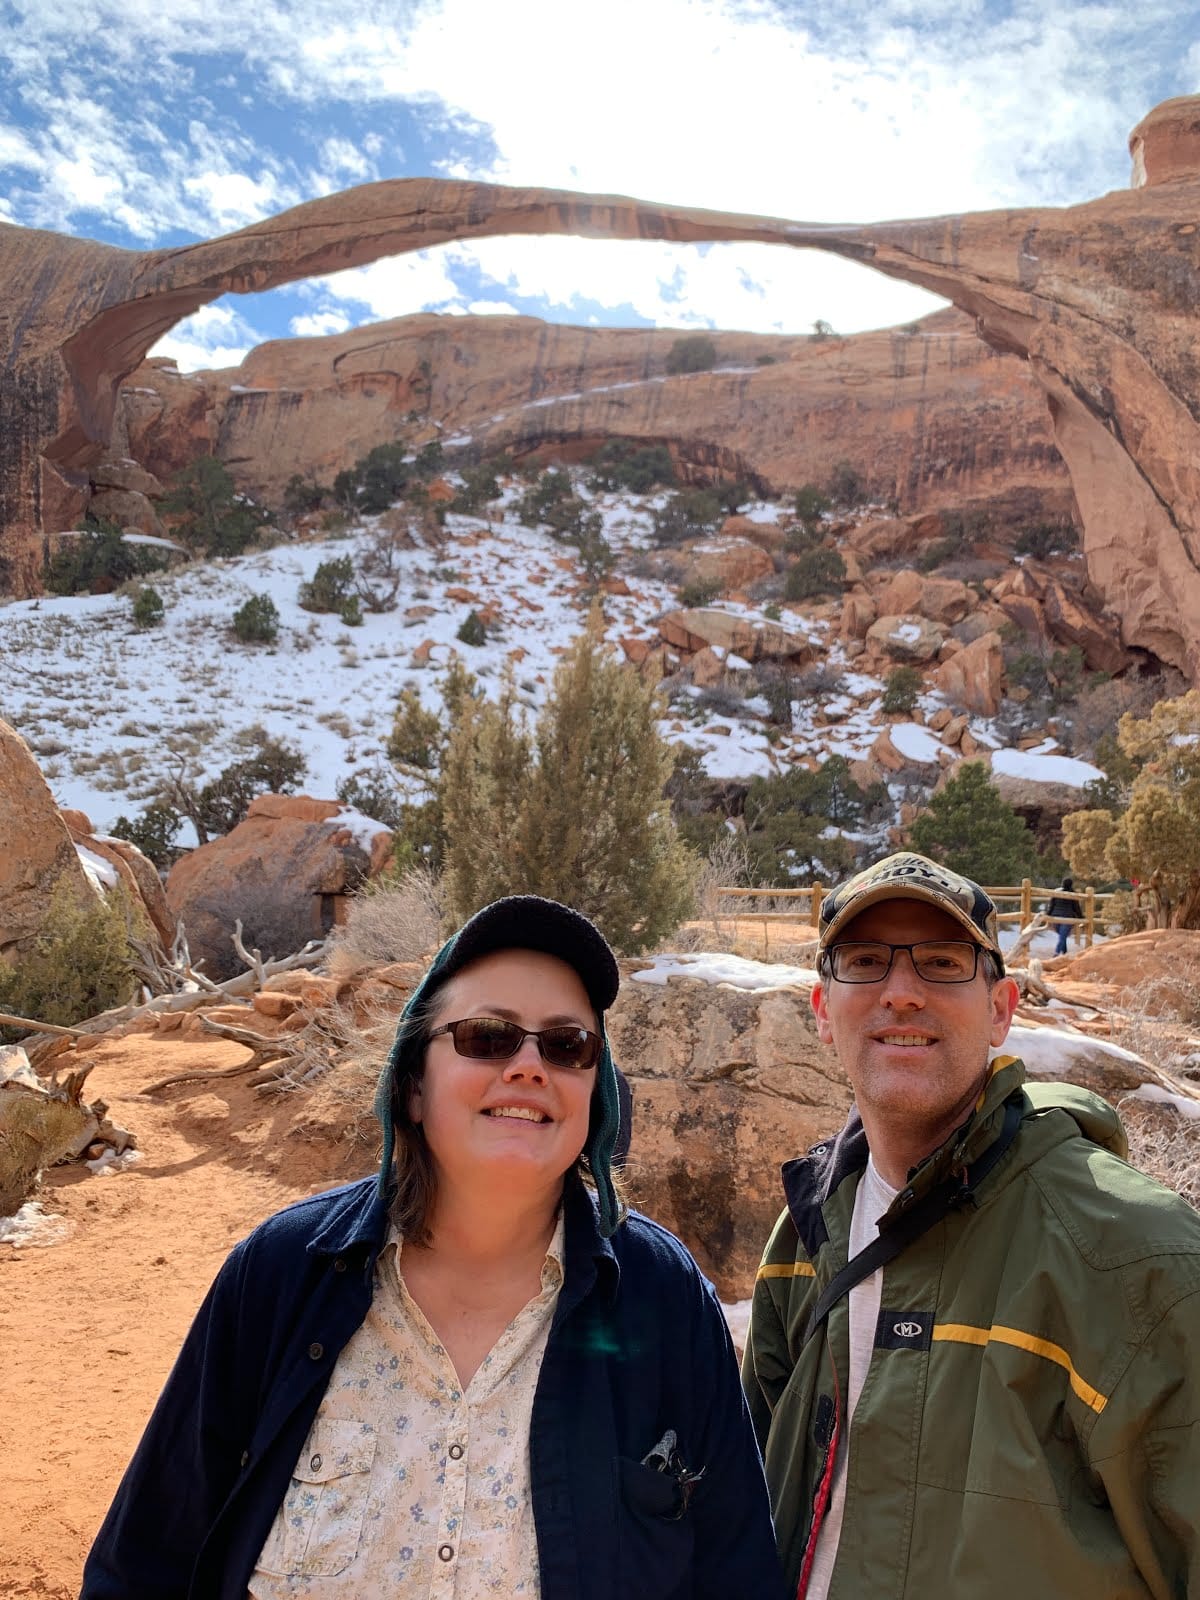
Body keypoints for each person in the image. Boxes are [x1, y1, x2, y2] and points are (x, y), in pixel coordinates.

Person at [83, 895, 785, 1600]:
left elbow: (735, 1569)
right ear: (414, 1084)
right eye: (487, 1037)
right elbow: (142, 1565)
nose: (529, 1067)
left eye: (567, 1045)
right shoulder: (280, 1275)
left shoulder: (661, 1296)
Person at [743, 851, 1200, 1600]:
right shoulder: (804, 1237)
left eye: (942, 962)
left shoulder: (1138, 1259)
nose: (901, 992)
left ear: (1001, 1010)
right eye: (865, 961)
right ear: (823, 1012)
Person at [1048, 875, 1082, 957]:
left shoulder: (1056, 892)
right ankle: (1056, 953)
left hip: (1055, 917)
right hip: (1067, 917)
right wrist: (1081, 917)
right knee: (1062, 937)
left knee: (1062, 936)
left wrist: (1048, 915)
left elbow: (1051, 905)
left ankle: (1064, 953)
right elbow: (1076, 907)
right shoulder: (1072, 893)